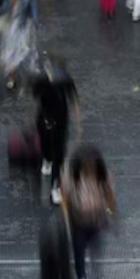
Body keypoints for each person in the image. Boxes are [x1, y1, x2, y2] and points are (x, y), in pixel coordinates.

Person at [60, 145, 117, 279]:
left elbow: (109, 196)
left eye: (93, 165)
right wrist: (67, 220)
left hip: (96, 220)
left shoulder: (103, 176)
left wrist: (110, 214)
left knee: (95, 246)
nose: (90, 168)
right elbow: (64, 198)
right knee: (78, 250)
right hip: (78, 221)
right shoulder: (71, 176)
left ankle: (94, 269)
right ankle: (82, 278)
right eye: (87, 165)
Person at [33, 55, 81, 205]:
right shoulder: (41, 80)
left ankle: (56, 187)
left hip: (60, 119)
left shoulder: (65, 80)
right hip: (45, 118)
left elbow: (73, 99)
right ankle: (47, 159)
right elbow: (35, 100)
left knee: (59, 154)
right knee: (46, 143)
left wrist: (78, 123)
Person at [0, 0, 39, 89]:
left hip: (21, 27)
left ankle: (15, 70)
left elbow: (33, 9)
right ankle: (11, 77)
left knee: (18, 51)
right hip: (8, 27)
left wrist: (34, 21)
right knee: (9, 52)